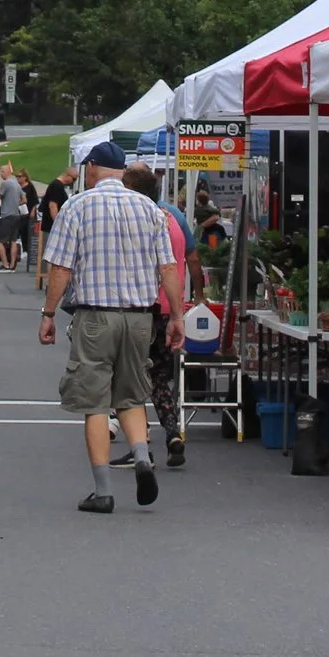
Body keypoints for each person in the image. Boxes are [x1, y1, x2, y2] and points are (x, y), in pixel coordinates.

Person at [40, 142, 182, 514]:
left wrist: (49, 313)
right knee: (132, 394)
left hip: (95, 317)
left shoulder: (77, 206)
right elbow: (168, 268)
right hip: (139, 317)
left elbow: (60, 268)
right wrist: (178, 317)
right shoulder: (150, 209)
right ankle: (141, 457)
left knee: (95, 401)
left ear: (91, 169)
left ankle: (103, 490)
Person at [110, 163, 191, 472]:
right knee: (157, 375)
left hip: (144, 305)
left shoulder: (143, 221)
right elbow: (188, 258)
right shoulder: (174, 218)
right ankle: (172, 432)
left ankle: (139, 444)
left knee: (130, 376)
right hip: (170, 306)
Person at [0, 163, 27, 271]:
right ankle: (12, 265)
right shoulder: (16, 184)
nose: (0, 174)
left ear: (8, 172)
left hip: (7, 216)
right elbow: (24, 199)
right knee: (13, 241)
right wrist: (15, 203)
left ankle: (5, 264)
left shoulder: (5, 184)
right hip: (16, 216)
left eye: (2, 171)